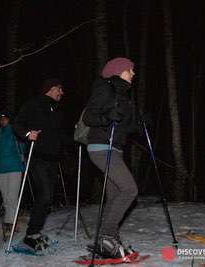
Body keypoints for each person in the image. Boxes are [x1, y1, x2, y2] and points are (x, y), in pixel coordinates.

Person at [82, 57, 140, 259]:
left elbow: (125, 125)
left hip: (115, 148)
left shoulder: (124, 94)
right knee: (130, 189)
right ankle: (107, 236)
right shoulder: (105, 88)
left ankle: (109, 241)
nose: (133, 73)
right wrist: (107, 117)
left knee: (115, 195)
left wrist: (139, 123)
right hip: (100, 146)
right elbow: (89, 117)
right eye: (130, 70)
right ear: (119, 71)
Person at [13, 78, 64, 251]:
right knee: (45, 195)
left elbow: (58, 135)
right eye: (59, 89)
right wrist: (28, 134)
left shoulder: (56, 109)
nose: (61, 92)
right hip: (37, 157)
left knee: (47, 198)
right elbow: (17, 124)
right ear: (49, 89)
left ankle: (36, 232)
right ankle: (30, 235)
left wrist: (79, 140)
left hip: (52, 159)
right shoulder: (33, 104)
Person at [0, 112, 25, 238]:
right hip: (1, 169)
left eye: (5, 119)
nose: (2, 121)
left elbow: (23, 146)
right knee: (5, 195)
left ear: (9, 120)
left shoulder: (15, 131)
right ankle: (13, 220)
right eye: (1, 119)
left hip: (15, 167)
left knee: (12, 196)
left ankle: (10, 223)